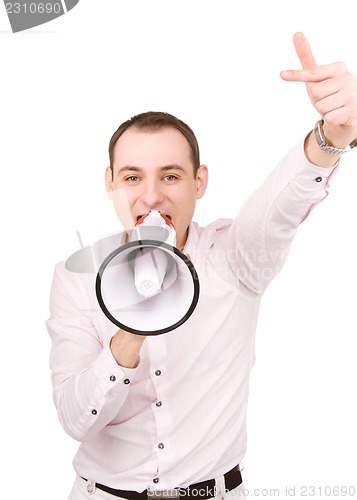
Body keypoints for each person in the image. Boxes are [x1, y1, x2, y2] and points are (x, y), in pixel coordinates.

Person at [46, 32, 357, 500]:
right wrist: (132, 323)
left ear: (199, 182)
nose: (151, 196)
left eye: (170, 176)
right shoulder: (75, 277)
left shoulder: (236, 258)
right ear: (110, 183)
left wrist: (330, 136)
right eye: (132, 177)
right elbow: (75, 418)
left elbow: (279, 204)